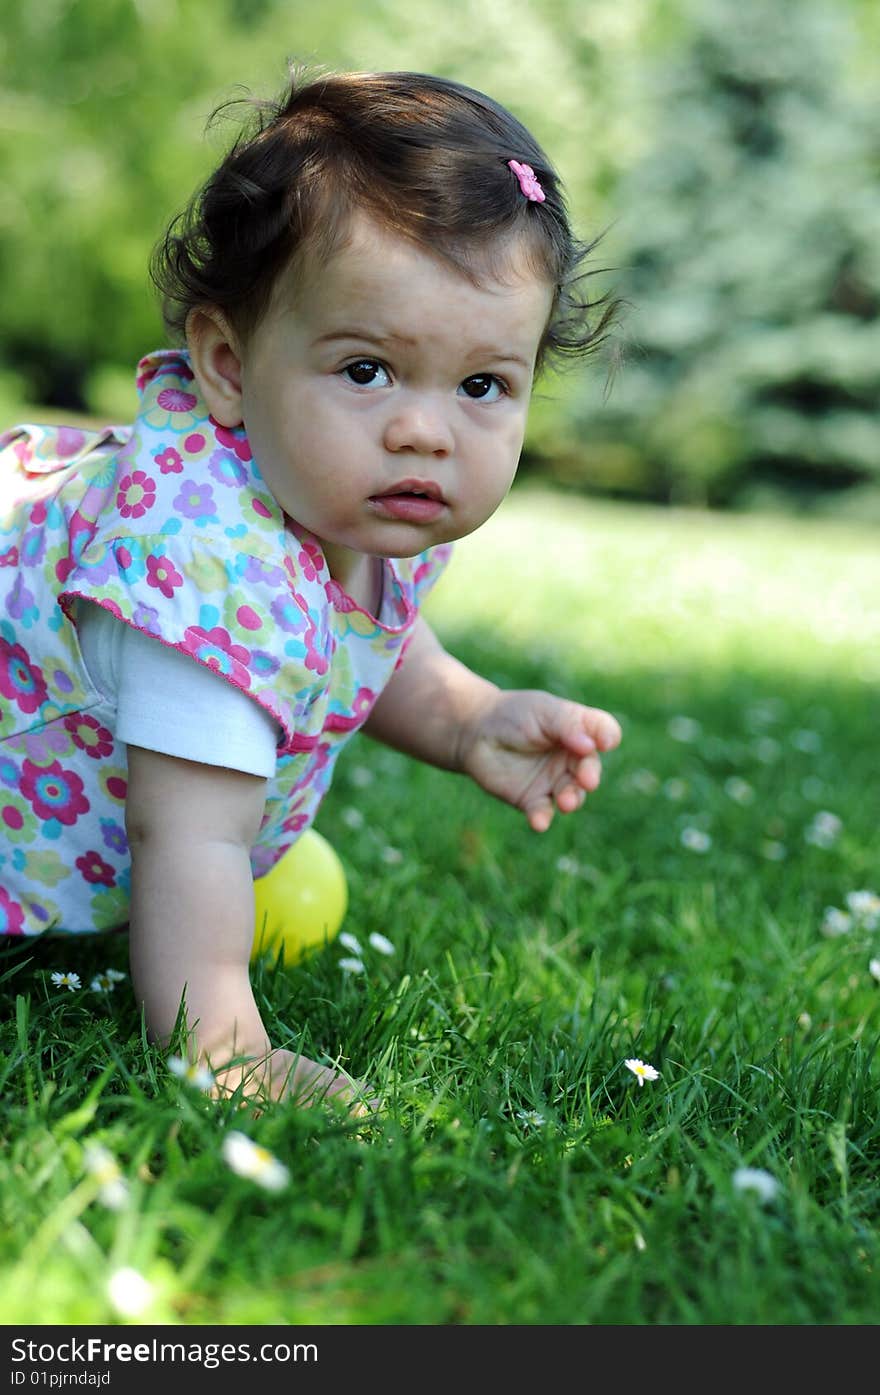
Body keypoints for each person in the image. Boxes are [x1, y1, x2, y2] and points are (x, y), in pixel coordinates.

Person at [0, 66, 622, 1109]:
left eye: (481, 386)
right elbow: (188, 834)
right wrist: (224, 1045)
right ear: (230, 366)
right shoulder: (198, 573)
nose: (424, 428)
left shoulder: (359, 507)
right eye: (367, 369)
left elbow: (359, 641)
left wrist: (470, 721)